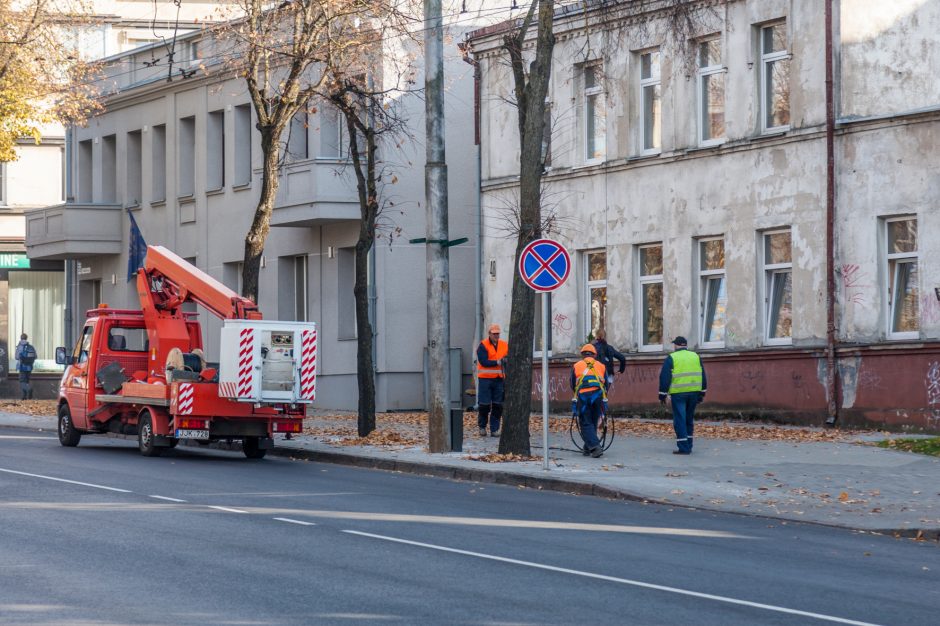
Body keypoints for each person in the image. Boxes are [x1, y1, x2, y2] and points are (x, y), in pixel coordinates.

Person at [658, 336, 707, 455]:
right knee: (689, 419)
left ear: (676, 345)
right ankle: (689, 445)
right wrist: (702, 393)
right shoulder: (695, 356)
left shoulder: (672, 358)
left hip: (678, 394)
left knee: (680, 419)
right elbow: (703, 375)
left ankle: (683, 448)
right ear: (685, 345)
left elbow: (664, 377)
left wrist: (662, 395)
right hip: (694, 393)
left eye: (674, 344)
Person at [571, 343, 607, 458]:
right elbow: (606, 382)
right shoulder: (601, 366)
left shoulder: (577, 365)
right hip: (598, 396)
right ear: (594, 355)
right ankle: (588, 447)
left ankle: (595, 447)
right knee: (593, 420)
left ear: (583, 355)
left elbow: (572, 383)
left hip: (583, 396)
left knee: (586, 422)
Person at [476, 323, 508, 437]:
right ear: (489, 334)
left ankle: (494, 429)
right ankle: (482, 427)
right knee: (484, 405)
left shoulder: (504, 345)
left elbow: (508, 357)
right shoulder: (483, 346)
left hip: (499, 379)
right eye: (494, 333)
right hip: (485, 380)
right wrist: (497, 362)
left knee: (497, 406)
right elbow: (483, 361)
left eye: (497, 333)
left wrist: (506, 361)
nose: (496, 335)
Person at [15, 333, 37, 401]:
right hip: (29, 367)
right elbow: (35, 356)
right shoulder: (31, 347)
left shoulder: (19, 346)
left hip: (22, 367)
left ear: (21, 338)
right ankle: (24, 396)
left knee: (22, 381)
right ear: (26, 338)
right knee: (26, 381)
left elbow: (16, 357)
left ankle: (29, 389)